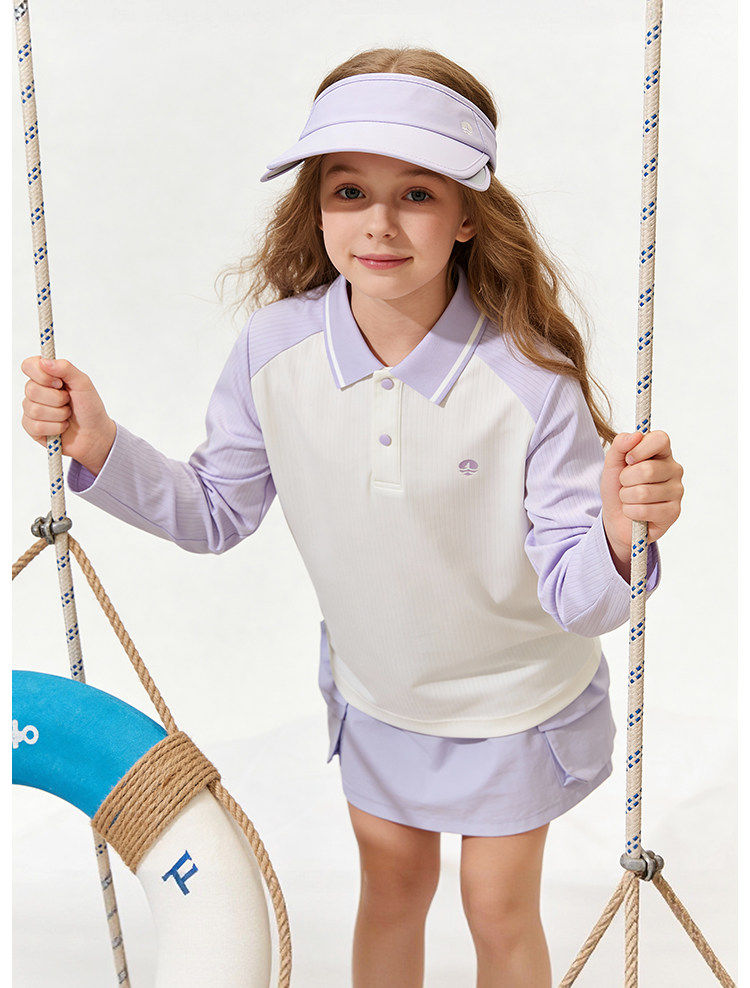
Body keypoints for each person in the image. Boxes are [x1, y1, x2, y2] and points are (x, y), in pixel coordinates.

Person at [20, 47, 684, 988]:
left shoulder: (529, 381)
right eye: (349, 191)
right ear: (317, 207)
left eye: (417, 193)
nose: (379, 222)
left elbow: (580, 599)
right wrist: (101, 445)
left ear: (467, 215)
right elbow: (215, 511)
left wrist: (620, 531)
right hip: (380, 695)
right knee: (393, 888)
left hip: (513, 698)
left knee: (497, 908)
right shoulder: (273, 349)